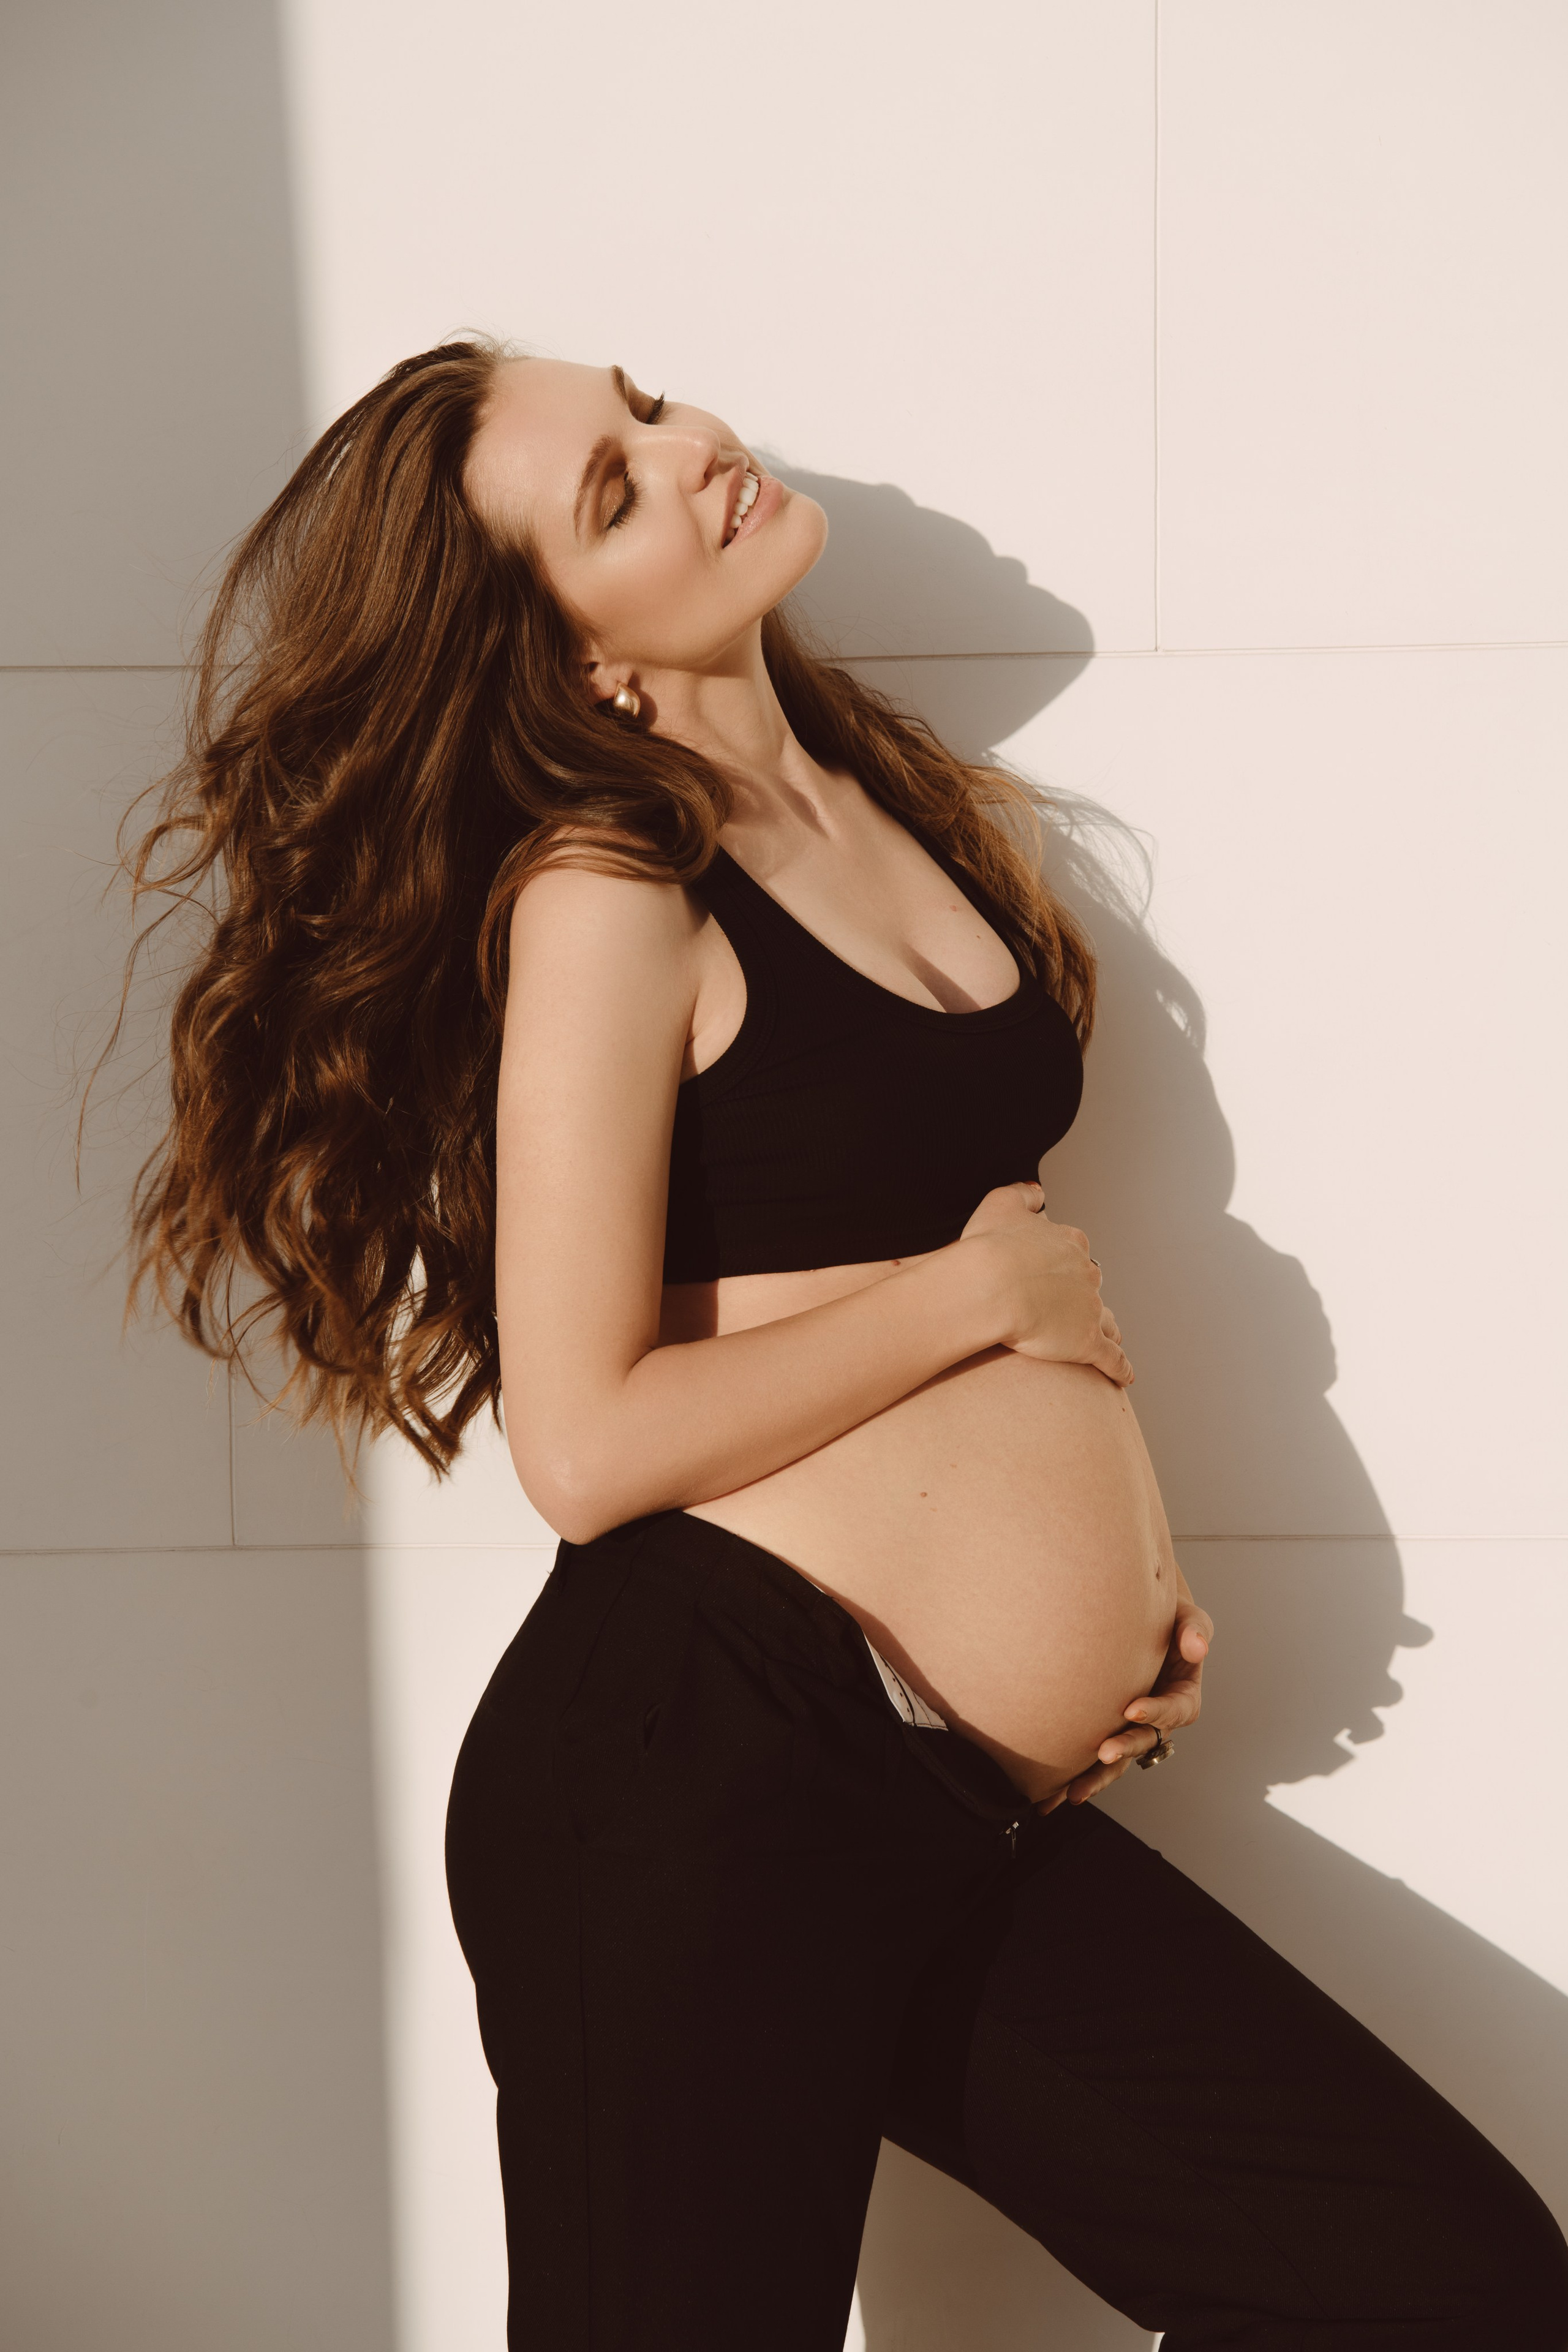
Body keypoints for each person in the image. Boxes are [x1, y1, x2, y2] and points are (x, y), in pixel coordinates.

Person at [128, 340, 1567, 2349]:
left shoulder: (880, 796)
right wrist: (979, 1307)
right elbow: (585, 1440)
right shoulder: (614, 887)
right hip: (688, 1786)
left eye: (644, 402)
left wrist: (1080, 1624)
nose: (692, 446)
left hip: (938, 1800)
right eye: (612, 494)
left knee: (1444, 2283)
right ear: (560, 653)